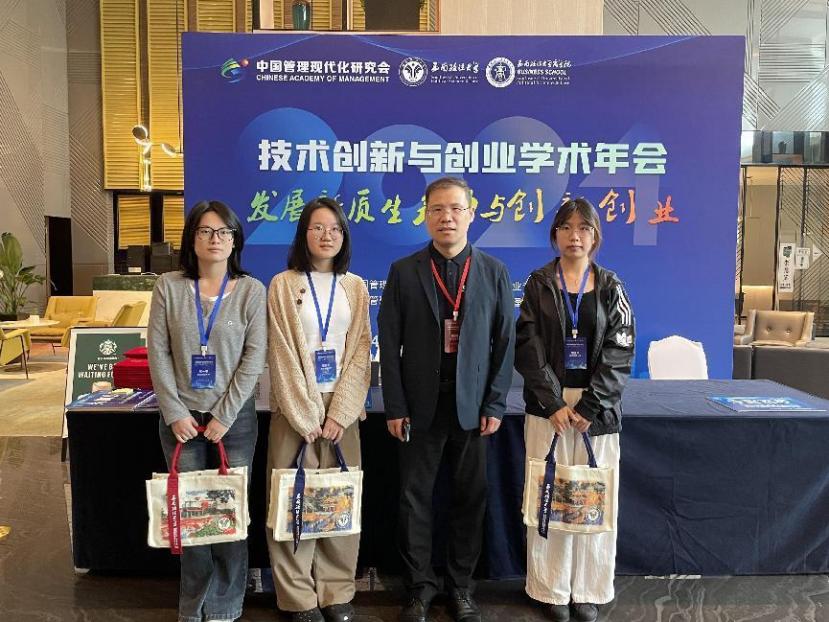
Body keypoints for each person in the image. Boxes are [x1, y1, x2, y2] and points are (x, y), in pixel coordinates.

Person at [378, 176, 515, 622]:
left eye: (456, 208)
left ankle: (461, 588)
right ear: (426, 216)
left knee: (469, 501)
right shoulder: (404, 271)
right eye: (437, 209)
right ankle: (419, 588)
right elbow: (389, 343)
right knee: (414, 501)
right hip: (419, 409)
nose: (447, 217)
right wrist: (395, 405)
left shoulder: (493, 271)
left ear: (471, 214)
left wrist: (495, 403)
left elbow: (504, 344)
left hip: (472, 410)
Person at [515, 197, 635, 622]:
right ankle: (549, 588)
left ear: (595, 236)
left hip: (595, 412)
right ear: (555, 235)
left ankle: (587, 589)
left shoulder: (611, 286)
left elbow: (621, 351)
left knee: (591, 495)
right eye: (566, 227)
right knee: (548, 493)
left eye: (584, 228)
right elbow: (527, 347)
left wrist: (590, 404)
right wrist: (552, 402)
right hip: (547, 409)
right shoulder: (538, 283)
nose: (575, 236)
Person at [148, 200, 267, 622]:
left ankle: (225, 606)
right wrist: (174, 412)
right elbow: (158, 352)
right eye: (205, 231)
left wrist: (224, 416)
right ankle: (193, 605)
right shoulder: (168, 287)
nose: (215, 239)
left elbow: (254, 357)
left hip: (233, 423)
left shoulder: (251, 290)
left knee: (229, 517)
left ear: (235, 240)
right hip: (180, 421)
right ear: (192, 239)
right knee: (193, 518)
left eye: (223, 232)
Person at [265, 197, 372, 622]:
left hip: (342, 411)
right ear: (303, 234)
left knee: (338, 499)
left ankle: (336, 591)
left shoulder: (355, 287)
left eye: (335, 229)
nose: (327, 235)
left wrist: (340, 412)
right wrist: (306, 415)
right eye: (317, 227)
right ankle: (297, 597)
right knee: (291, 499)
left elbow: (360, 351)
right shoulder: (283, 284)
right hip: (296, 410)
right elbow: (281, 353)